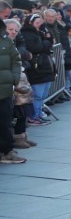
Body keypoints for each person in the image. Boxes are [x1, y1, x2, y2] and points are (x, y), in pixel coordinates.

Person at [20, 14, 55, 125]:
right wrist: (47, 42)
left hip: (43, 65)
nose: (40, 25)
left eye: (40, 23)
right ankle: (34, 116)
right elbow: (35, 48)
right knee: (37, 94)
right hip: (36, 67)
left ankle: (38, 114)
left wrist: (47, 40)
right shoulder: (27, 34)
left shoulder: (39, 32)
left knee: (43, 94)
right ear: (30, 23)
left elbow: (44, 46)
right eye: (37, 23)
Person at [0, 16, 24, 164]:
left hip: (5, 89)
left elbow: (16, 60)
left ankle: (8, 150)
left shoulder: (5, 40)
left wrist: (14, 78)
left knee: (5, 121)